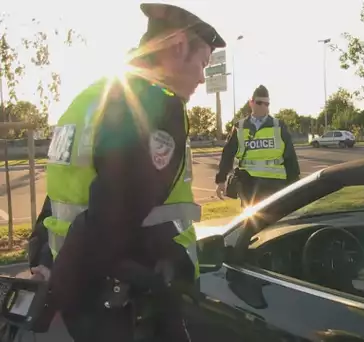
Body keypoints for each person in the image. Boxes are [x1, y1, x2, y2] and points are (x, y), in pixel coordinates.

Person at [28, 3, 225, 341]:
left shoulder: (89, 98)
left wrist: (43, 257)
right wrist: (58, 290)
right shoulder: (157, 104)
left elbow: (61, 194)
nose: (201, 77)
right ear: (178, 46)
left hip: (84, 296)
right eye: (203, 63)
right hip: (130, 302)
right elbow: (112, 213)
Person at [215, 85, 300, 206]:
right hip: (249, 184)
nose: (263, 107)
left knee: (274, 221)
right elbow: (228, 154)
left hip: (275, 183)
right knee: (251, 221)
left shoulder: (278, 126)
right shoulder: (240, 127)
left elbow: (290, 156)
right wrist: (221, 180)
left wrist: (295, 184)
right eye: (259, 103)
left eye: (267, 104)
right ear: (251, 103)